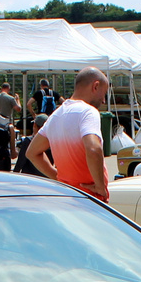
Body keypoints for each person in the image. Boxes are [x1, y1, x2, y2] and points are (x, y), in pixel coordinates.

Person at [27, 67, 110, 200]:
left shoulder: (55, 116)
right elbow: (94, 148)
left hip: (67, 196)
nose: (103, 100)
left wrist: (57, 176)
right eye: (104, 93)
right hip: (90, 200)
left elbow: (32, 152)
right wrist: (100, 186)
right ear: (95, 86)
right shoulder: (88, 112)